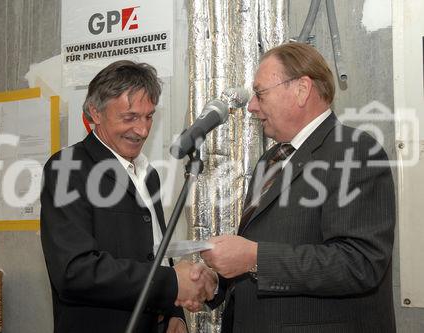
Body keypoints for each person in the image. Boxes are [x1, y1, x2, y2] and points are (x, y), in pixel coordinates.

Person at [200, 42, 396, 332]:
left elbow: (360, 263)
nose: (252, 106)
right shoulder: (271, 160)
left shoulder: (355, 152)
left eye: (260, 93)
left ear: (302, 90)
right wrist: (216, 282)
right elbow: (265, 251)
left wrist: (253, 257)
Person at [40, 60, 216, 333]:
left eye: (149, 116)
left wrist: (173, 313)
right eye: (130, 117)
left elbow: (155, 252)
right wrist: (171, 283)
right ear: (95, 113)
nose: (143, 130)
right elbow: (75, 271)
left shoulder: (149, 175)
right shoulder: (68, 169)